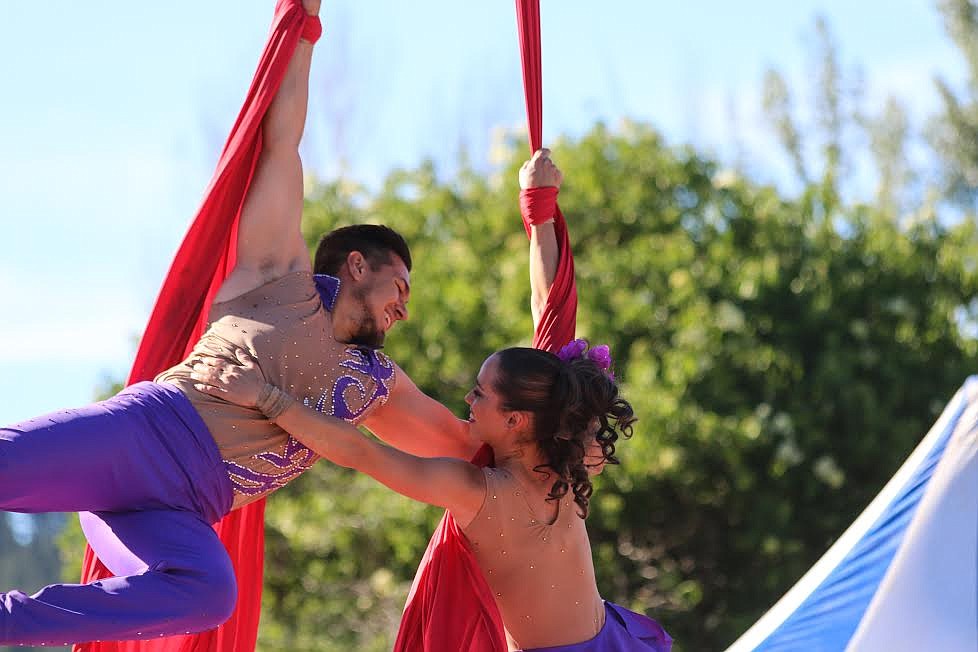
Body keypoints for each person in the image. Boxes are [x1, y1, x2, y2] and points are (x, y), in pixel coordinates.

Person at [0, 0, 472, 645]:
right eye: (401, 286)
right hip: (138, 438)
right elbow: (282, 144)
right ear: (358, 265)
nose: (405, 307)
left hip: (184, 509)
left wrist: (557, 405)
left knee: (209, 593)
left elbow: (462, 442)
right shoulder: (278, 278)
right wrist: (302, 26)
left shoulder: (374, 383)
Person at [190, 152, 672, 651]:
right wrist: (539, 211)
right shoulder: (569, 454)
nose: (468, 398)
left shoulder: (476, 489)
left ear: (513, 419)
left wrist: (266, 397)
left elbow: (363, 453)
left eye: (479, 393)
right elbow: (548, 312)